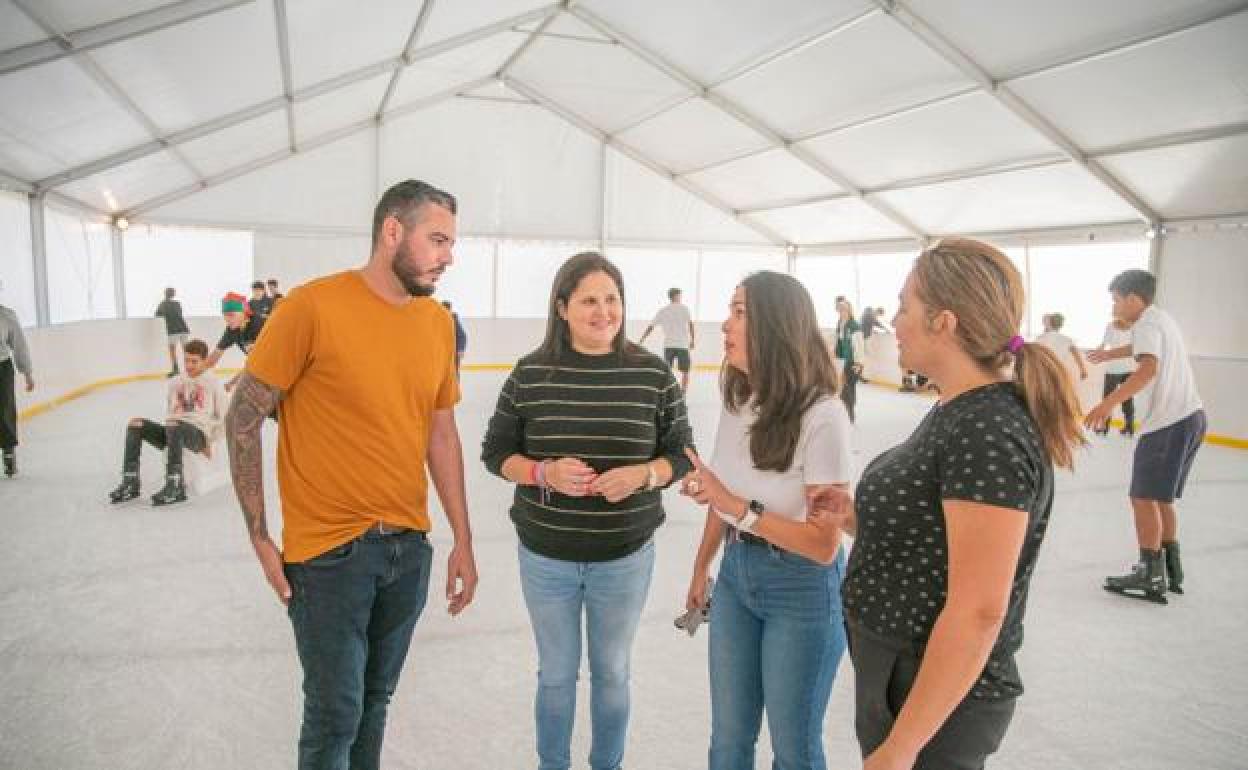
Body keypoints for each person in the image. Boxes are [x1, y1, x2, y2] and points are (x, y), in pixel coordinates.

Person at [225, 179, 478, 769]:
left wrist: (462, 538)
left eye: (451, 242)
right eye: (437, 240)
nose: (448, 257)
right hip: (328, 556)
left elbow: (440, 434)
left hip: (407, 553)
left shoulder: (436, 324)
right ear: (393, 231)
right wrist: (260, 536)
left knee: (373, 704)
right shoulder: (311, 307)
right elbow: (243, 416)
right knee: (335, 714)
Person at [835, 238, 1085, 770]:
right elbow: (934, 537)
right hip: (899, 673)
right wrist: (855, 516)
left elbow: (978, 610)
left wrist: (902, 748)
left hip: (932, 694)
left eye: (905, 306)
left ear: (943, 322)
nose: (894, 322)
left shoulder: (987, 429)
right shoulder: (959, 410)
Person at [481, 252, 693, 770]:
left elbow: (682, 455)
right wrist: (542, 473)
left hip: (623, 557)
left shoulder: (652, 375)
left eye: (612, 299)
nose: (604, 311)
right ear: (562, 307)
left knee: (613, 672)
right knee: (555, 674)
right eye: (589, 300)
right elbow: (495, 453)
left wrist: (644, 475)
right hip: (546, 556)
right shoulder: (531, 374)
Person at [680, 271, 852, 770]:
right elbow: (721, 490)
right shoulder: (739, 397)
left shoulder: (824, 416)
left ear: (774, 326)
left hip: (801, 588)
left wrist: (738, 509)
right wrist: (701, 567)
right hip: (736, 578)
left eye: (738, 313)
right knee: (728, 744)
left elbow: (822, 544)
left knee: (794, 751)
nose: (724, 325)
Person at [1086, 269, 1205, 604]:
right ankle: (1170, 567)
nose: (1113, 307)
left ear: (1133, 299)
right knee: (1160, 499)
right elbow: (1143, 350)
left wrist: (1109, 402)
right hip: (1191, 416)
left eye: (1116, 300)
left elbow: (1149, 366)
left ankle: (1150, 572)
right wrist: (1109, 355)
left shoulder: (1147, 324)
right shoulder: (1160, 319)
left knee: (1142, 497)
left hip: (1168, 423)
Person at [107, 339, 226, 506]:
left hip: (197, 434)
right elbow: (171, 412)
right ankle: (131, 483)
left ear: (204, 360)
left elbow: (224, 418)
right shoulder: (175, 382)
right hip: (173, 430)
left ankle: (175, 486)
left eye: (194, 361)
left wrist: (209, 441)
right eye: (186, 360)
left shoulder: (213, 382)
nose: (189, 365)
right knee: (136, 424)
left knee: (173, 426)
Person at [1, 301, 34, 478]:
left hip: (2, 369)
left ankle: (8, 453)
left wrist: (27, 373)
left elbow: (19, 346)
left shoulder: (6, 315)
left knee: (5, 411)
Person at [640, 287, 695, 391]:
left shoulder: (663, 311)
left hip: (668, 345)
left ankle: (668, 391)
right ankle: (683, 393)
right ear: (676, 296)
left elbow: (651, 326)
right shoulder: (684, 309)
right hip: (682, 345)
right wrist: (692, 340)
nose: (681, 298)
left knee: (667, 371)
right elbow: (691, 325)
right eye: (680, 295)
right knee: (685, 371)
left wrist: (642, 338)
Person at [1094, 316, 1136, 436]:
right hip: (1126, 368)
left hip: (1116, 369)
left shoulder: (1114, 327)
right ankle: (1128, 428)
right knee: (1126, 398)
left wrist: (1098, 352)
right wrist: (1097, 353)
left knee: (1109, 399)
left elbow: (1103, 346)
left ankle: (1104, 428)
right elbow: (1103, 346)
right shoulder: (1132, 327)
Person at [836, 297, 866, 422]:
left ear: (849, 310)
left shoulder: (854, 326)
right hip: (842, 361)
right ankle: (844, 413)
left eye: (844, 309)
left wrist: (859, 363)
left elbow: (859, 346)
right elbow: (839, 342)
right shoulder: (840, 324)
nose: (841, 312)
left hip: (852, 362)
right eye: (839, 309)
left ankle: (850, 414)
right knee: (841, 388)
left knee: (849, 388)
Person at [1035, 313, 1088, 382]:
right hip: (1060, 371)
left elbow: (1034, 355)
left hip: (1044, 371)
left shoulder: (1040, 338)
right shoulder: (1067, 339)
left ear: (1048, 324)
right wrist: (1083, 369)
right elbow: (1076, 355)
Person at [155, 287, 190, 377]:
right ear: (173, 294)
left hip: (173, 330)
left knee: (172, 349)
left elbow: (157, 314)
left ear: (165, 294)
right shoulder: (177, 304)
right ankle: (189, 368)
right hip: (183, 328)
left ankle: (175, 369)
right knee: (186, 349)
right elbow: (179, 313)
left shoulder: (162, 304)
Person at [442, 300, 467, 374]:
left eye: (448, 310)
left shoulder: (453, 318)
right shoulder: (437, 318)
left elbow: (462, 335)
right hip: (442, 353)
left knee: (454, 374)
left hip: (453, 353)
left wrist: (461, 349)